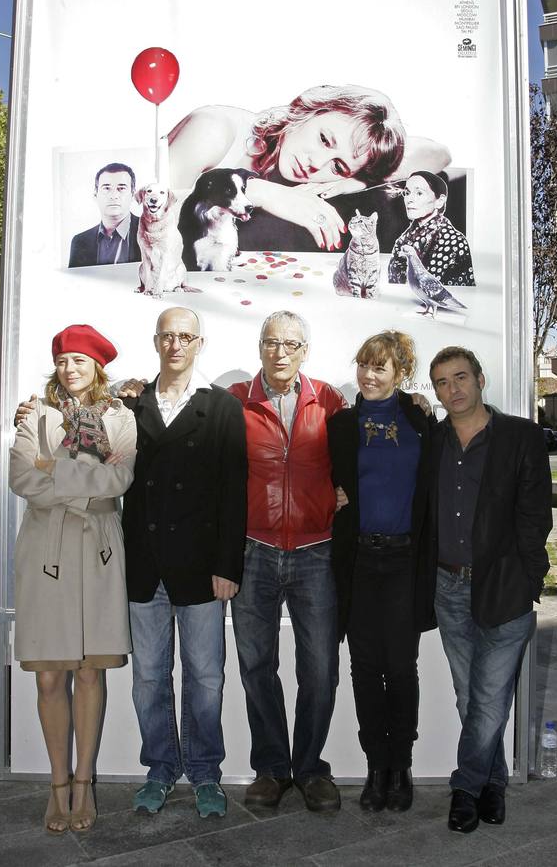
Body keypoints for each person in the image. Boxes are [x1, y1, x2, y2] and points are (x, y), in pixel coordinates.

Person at [9, 324, 136, 835]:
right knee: (47, 675)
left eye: (80, 361)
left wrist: (52, 468)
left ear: (97, 367)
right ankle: (56, 784)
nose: (70, 369)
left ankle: (84, 784)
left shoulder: (120, 417)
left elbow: (119, 478)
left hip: (100, 553)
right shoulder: (34, 414)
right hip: (46, 552)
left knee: (89, 673)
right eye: (63, 360)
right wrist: (78, 476)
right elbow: (22, 478)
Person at [121, 307, 247, 819]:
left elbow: (233, 493)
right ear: (155, 342)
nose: (176, 345)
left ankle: (205, 773)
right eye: (167, 336)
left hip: (200, 567)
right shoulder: (130, 404)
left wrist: (228, 566)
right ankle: (159, 768)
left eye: (185, 337)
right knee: (149, 676)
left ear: (200, 343)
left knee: (206, 676)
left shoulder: (220, 408)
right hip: (144, 566)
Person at [428, 346, 552, 833]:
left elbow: (535, 515)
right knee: (470, 696)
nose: (452, 389)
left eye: (460, 377)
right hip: (447, 585)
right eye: (441, 382)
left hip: (504, 586)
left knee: (488, 696)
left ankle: (465, 787)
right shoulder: (432, 440)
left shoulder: (520, 436)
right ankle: (494, 782)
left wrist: (529, 579)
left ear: (480, 379)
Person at [227, 311, 346, 812]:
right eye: (272, 343)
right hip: (253, 549)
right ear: (259, 347)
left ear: (305, 350)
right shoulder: (235, 401)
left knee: (320, 669)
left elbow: (360, 445)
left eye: (291, 344)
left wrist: (416, 402)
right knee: (257, 665)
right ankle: (272, 768)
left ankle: (312, 768)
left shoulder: (330, 400)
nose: (280, 352)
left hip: (317, 551)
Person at [327, 331, 433, 813]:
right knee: (365, 669)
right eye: (364, 366)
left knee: (402, 668)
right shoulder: (341, 424)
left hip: (405, 560)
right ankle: (375, 768)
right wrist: (330, 496)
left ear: (400, 374)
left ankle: (401, 765)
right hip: (359, 561)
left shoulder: (419, 418)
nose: (369, 375)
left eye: (380, 368)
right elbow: (320, 480)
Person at [168, 85, 451, 251]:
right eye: (324, 139)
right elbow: (149, 217)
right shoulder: (215, 130)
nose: (317, 163)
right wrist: (255, 190)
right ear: (308, 110)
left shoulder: (323, 174)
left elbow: (438, 154)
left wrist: (359, 180)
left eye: (337, 165)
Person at [388, 171, 475, 287]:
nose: (409, 199)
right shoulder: (402, 240)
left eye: (419, 193)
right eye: (407, 193)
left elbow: (433, 289)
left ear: (439, 201)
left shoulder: (453, 240)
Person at [68, 162, 141, 268]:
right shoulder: (79, 242)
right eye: (106, 188)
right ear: (95, 195)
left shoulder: (153, 233)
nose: (114, 196)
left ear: (132, 194)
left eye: (121, 188)